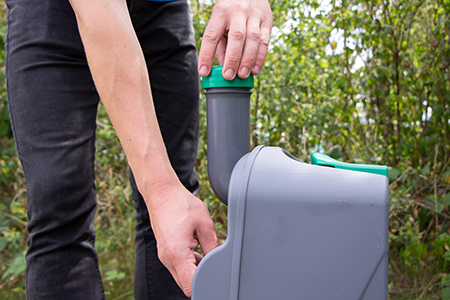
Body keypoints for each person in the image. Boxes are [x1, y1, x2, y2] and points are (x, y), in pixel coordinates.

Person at [5, 0, 272, 299]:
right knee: (59, 203)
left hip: (162, 10)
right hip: (51, 11)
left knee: (177, 208)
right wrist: (159, 188)